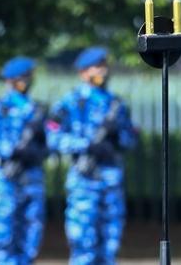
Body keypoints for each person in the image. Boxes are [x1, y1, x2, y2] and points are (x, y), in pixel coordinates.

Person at [49, 47, 137, 265]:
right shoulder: (70, 102)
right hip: (84, 180)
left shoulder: (116, 104)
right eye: (96, 67)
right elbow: (54, 138)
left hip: (111, 180)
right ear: (83, 73)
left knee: (110, 244)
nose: (102, 72)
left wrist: (118, 138)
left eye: (104, 66)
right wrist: (87, 145)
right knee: (83, 245)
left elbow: (130, 139)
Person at [0, 56, 48, 265]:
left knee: (30, 239)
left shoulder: (38, 110)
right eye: (22, 77)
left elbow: (52, 141)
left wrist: (38, 149)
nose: (26, 81)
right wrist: (10, 151)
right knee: (2, 238)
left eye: (28, 77)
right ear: (9, 80)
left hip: (31, 178)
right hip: (4, 180)